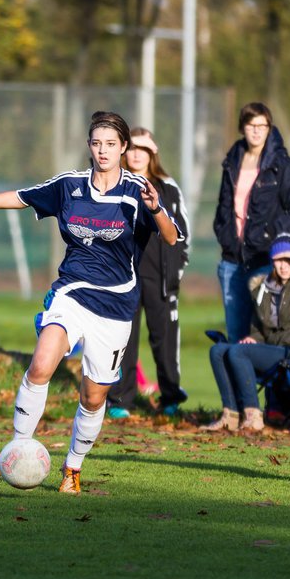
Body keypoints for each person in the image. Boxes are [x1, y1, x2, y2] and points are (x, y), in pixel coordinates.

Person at [0, 111, 180, 494]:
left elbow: (170, 238)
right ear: (89, 146)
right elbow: (20, 197)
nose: (103, 151)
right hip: (72, 292)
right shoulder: (69, 185)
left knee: (94, 397)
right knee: (41, 365)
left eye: (111, 144)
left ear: (124, 148)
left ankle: (73, 469)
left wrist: (156, 208)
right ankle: (13, 449)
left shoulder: (137, 190)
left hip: (115, 306)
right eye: (96, 143)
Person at [201, 236, 290, 433]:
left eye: (287, 259)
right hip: (273, 351)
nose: (283, 266)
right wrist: (254, 338)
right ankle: (230, 416)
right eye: (277, 260)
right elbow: (258, 328)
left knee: (238, 353)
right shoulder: (263, 288)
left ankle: (253, 417)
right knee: (218, 350)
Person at [107, 127, 191, 419]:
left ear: (152, 153)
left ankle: (170, 398)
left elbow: (182, 235)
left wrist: (177, 272)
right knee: (123, 340)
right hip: (123, 278)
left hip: (160, 279)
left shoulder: (167, 188)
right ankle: (120, 400)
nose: (136, 154)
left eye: (143, 149)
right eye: (132, 148)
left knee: (164, 339)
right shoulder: (114, 184)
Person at [212, 102, 290, 342]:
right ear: (242, 127)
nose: (256, 131)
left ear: (269, 128)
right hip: (232, 260)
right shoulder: (232, 161)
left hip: (264, 260)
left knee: (263, 334)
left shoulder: (281, 164)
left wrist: (271, 232)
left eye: (262, 125)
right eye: (251, 125)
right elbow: (224, 206)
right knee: (236, 336)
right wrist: (224, 234)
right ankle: (239, 381)